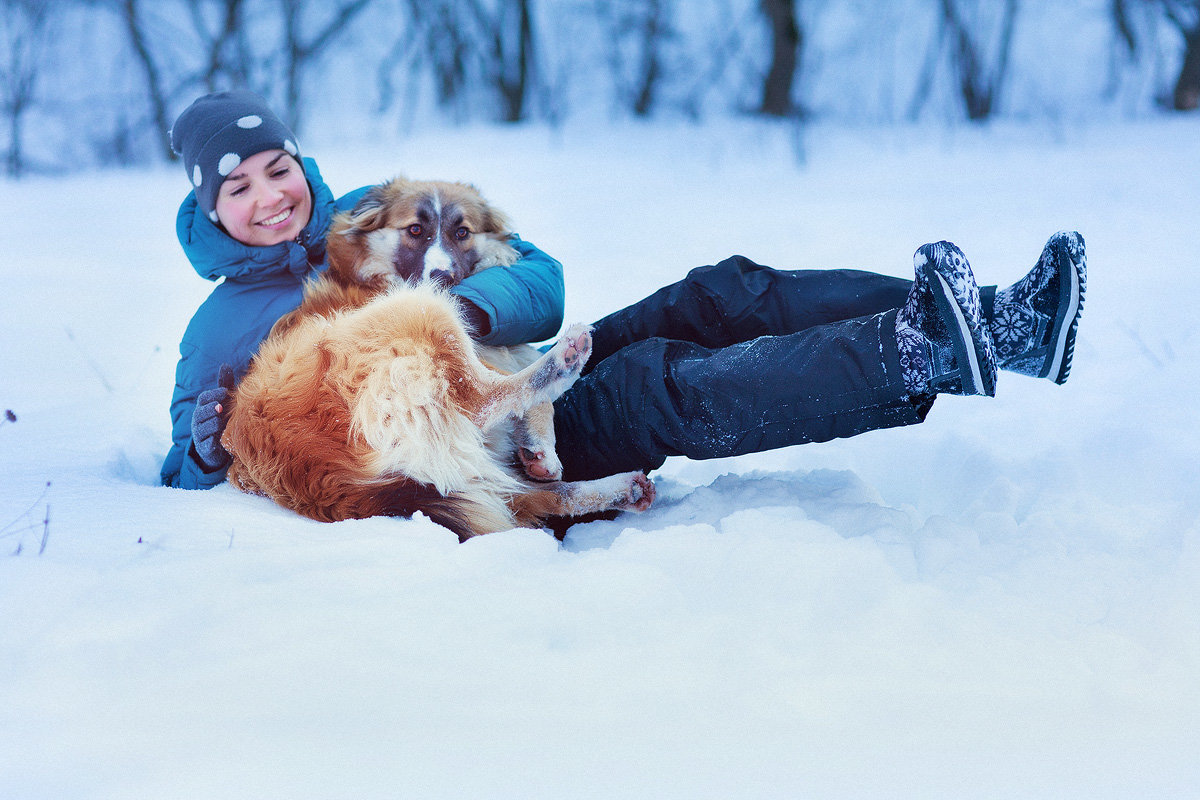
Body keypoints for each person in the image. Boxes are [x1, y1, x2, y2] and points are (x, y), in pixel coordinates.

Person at [161, 90, 1086, 498]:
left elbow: (543, 278)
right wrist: (202, 453)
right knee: (658, 385)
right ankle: (918, 352)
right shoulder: (221, 331)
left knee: (715, 295)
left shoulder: (370, 215)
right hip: (486, 444)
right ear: (210, 207)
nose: (267, 197)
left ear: (300, 164)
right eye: (235, 188)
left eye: (275, 169)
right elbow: (188, 468)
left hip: (523, 368)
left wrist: (473, 310)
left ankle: (998, 323)